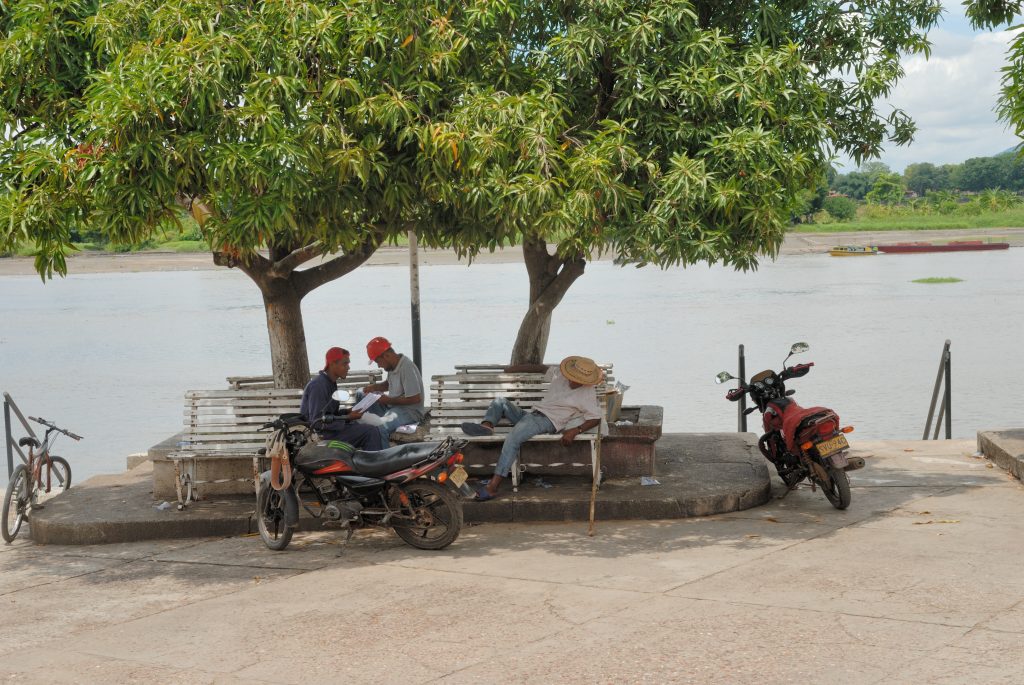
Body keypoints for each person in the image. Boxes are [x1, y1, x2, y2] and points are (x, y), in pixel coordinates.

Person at [462, 355, 603, 500]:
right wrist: (513, 369)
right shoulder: (561, 374)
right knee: (500, 402)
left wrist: (576, 430)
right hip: (533, 415)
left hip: (548, 421)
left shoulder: (588, 392)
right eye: (573, 377)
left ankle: (493, 487)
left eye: (578, 380)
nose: (573, 381)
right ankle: (487, 426)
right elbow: (540, 368)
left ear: (585, 380)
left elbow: (595, 418)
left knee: (512, 439)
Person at [300, 347, 385, 451]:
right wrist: (348, 417)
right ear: (332, 364)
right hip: (321, 436)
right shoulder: (319, 385)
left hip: (328, 431)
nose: (348, 367)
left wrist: (347, 412)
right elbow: (317, 421)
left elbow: (329, 414)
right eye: (345, 364)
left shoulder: (329, 382)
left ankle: (367, 463)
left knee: (365, 426)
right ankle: (375, 465)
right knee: (370, 432)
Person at [357, 336, 425, 447]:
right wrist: (374, 387)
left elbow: (415, 398)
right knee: (361, 393)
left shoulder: (407, 367)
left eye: (378, 361)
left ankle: (383, 458)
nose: (379, 365)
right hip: (393, 407)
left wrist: (388, 400)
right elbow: (388, 384)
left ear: (387, 356)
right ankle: (361, 430)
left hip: (410, 412)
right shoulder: (392, 366)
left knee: (380, 428)